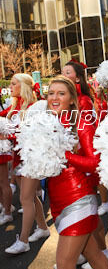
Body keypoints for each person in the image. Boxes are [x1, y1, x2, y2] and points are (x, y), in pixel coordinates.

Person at [44, 76, 108, 269]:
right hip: (56, 200)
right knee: (91, 250)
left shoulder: (81, 125)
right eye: (51, 93)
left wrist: (66, 154)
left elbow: (94, 163)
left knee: (66, 265)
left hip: (78, 197)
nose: (55, 98)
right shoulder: (45, 125)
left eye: (61, 94)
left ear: (72, 100)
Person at [61, 62, 108, 269]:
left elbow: (83, 132)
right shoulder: (65, 99)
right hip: (69, 163)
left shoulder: (82, 100)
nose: (62, 75)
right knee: (83, 213)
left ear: (77, 78)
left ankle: (103, 252)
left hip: (81, 159)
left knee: (88, 212)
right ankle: (83, 251)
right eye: (61, 72)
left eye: (67, 72)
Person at [3, 75, 49, 251]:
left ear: (23, 86)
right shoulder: (15, 106)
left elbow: (32, 134)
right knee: (30, 197)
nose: (10, 86)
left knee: (25, 199)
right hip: (17, 157)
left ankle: (23, 241)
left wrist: (7, 134)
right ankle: (43, 228)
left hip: (30, 158)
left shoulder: (33, 107)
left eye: (14, 83)